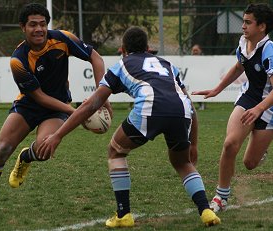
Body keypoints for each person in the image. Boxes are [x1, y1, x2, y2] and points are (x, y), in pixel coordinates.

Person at [38, 26, 220, 227]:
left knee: (115, 151)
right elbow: (189, 104)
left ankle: (123, 214)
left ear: (123, 49)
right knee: (182, 162)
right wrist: (193, 143)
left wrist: (58, 135)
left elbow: (91, 105)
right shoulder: (167, 64)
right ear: (148, 48)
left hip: (150, 108)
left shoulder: (120, 65)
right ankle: (206, 211)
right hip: (182, 110)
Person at [0, 3, 111, 215]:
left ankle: (26, 157)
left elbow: (96, 58)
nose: (39, 29)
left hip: (56, 108)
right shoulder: (18, 60)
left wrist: (101, 95)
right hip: (29, 104)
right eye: (33, 25)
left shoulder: (62, 38)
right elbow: (39, 96)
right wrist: (76, 112)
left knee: (44, 150)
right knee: (2, 148)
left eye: (42, 24)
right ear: (23, 27)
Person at [192, 3, 273, 213]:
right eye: (243, 21)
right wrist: (217, 90)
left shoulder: (269, 50)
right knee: (229, 144)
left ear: (262, 26)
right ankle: (221, 197)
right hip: (248, 98)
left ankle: (260, 150)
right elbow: (239, 66)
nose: (243, 26)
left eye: (248, 22)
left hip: (269, 107)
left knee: (249, 163)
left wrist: (259, 109)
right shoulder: (243, 43)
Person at [191, 44, 206, 110]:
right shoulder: (189, 59)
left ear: (200, 50)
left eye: (196, 50)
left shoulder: (204, 58)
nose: (195, 52)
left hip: (202, 77)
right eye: (193, 50)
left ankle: (202, 104)